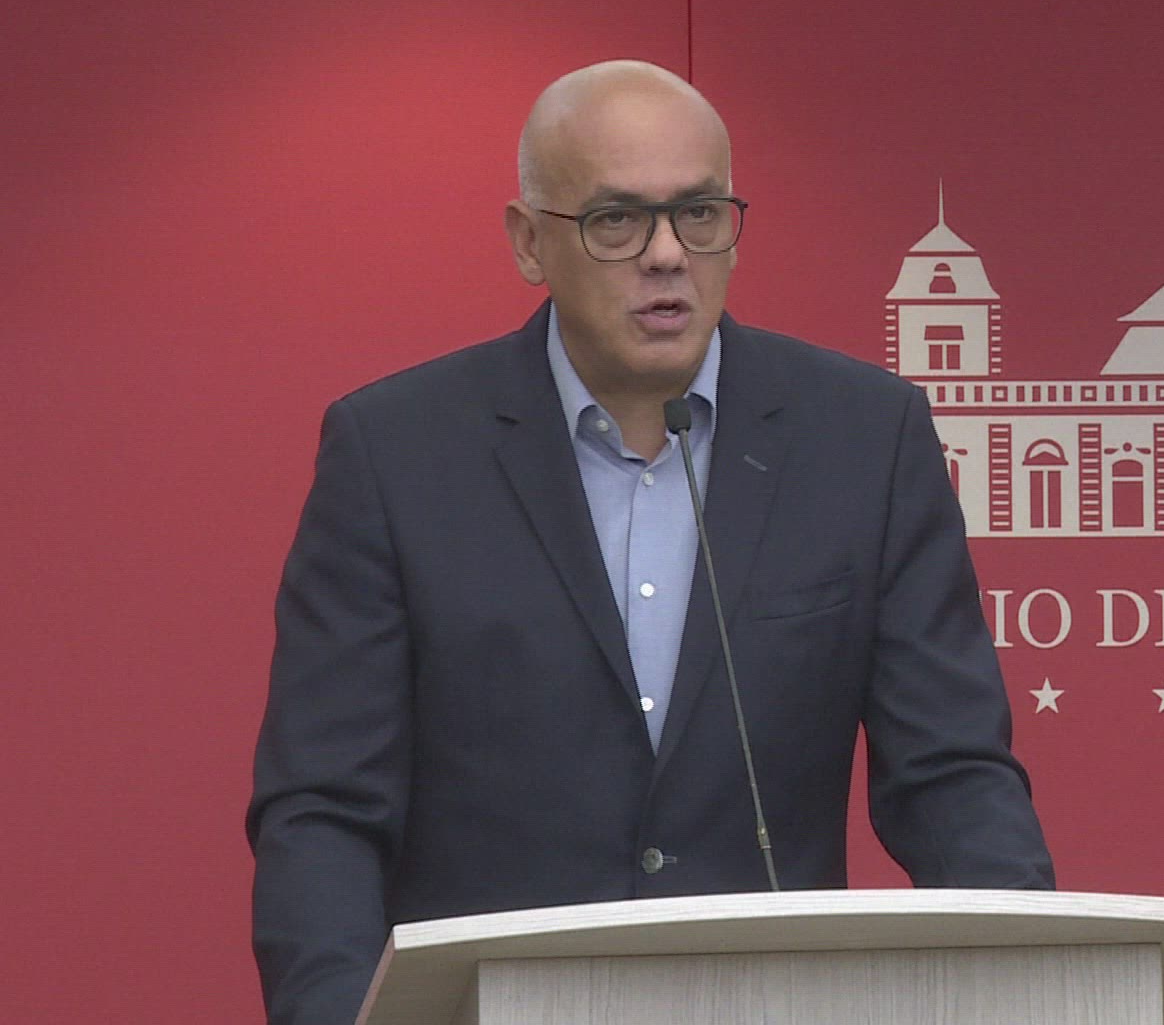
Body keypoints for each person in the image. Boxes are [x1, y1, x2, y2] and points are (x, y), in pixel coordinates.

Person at [246, 60, 1053, 1025]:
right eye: (617, 220)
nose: (668, 254)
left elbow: (952, 775)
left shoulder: (863, 439)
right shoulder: (396, 453)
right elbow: (325, 811)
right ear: (529, 241)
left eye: (699, 214)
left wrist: (1036, 982)